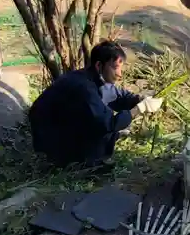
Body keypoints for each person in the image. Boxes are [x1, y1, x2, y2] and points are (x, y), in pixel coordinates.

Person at [28, 41, 163, 168]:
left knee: (108, 126)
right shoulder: (84, 88)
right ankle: (74, 162)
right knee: (102, 135)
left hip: (61, 126)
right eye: (115, 68)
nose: (120, 74)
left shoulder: (93, 78)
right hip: (51, 137)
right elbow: (108, 123)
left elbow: (118, 95)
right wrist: (139, 109)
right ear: (99, 65)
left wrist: (138, 99)